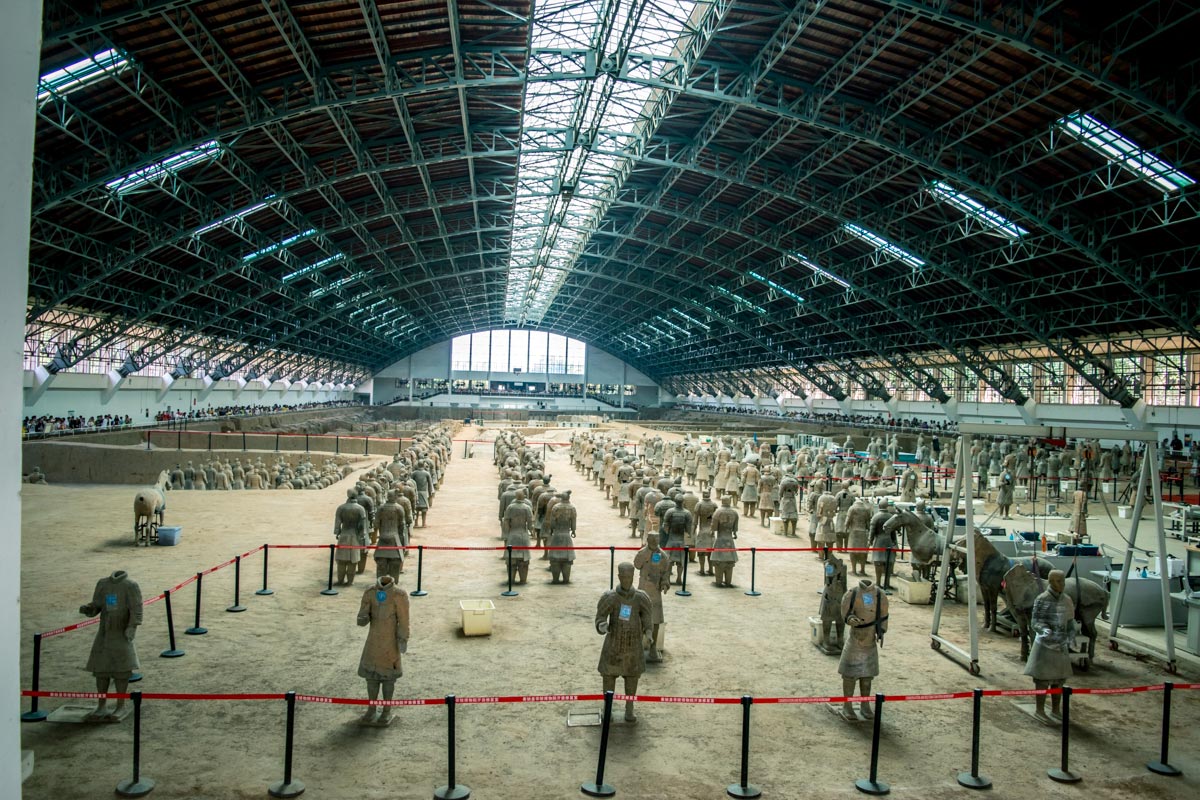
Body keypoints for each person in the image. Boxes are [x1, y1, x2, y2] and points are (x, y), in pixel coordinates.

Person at [595, 563, 655, 723]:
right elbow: (600, 617)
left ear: (633, 577)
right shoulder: (610, 597)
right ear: (619, 577)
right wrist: (602, 626)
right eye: (624, 577)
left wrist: (648, 632)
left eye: (629, 577)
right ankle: (608, 709)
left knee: (632, 678)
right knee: (608, 676)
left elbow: (648, 618)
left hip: (633, 645)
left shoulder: (641, 598)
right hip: (614, 644)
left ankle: (629, 708)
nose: (627, 580)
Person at [79, 570, 142, 720]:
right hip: (104, 633)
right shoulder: (103, 584)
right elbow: (97, 605)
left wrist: (132, 627)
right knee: (101, 670)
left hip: (121, 632)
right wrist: (89, 609)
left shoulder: (130, 585)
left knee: (122, 671)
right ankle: (101, 705)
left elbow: (137, 608)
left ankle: (120, 706)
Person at [356, 574, 410, 726]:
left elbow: (404, 620)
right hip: (373, 641)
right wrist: (363, 618)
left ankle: (386, 710)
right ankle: (371, 708)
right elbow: (363, 613)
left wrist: (403, 638)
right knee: (371, 678)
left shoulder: (399, 595)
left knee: (388, 678)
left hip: (389, 643)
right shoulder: (370, 592)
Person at [1023, 570, 1075, 723]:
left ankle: (1056, 710)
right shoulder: (1042, 599)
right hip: (1045, 645)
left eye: (1063, 581)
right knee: (1042, 679)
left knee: (1059, 680)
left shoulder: (1067, 600)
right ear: (1051, 582)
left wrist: (1072, 633)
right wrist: (1043, 629)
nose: (1062, 585)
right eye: (1059, 581)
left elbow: (1070, 622)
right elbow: (1035, 622)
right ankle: (1040, 709)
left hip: (1060, 644)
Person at [838, 578, 888, 721]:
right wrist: (850, 618)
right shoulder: (852, 593)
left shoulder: (880, 595)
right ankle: (847, 705)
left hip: (869, 639)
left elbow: (884, 614)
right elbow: (845, 611)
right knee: (849, 675)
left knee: (867, 676)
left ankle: (865, 704)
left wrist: (881, 630)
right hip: (855, 639)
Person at [632, 532, 671, 662]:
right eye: (651, 539)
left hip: (655, 591)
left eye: (656, 539)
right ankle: (638, 645)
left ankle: (653, 646)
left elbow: (666, 572)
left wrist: (665, 583)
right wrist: (645, 555)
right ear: (647, 539)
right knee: (639, 618)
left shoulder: (663, 555)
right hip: (643, 589)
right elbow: (637, 565)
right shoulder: (642, 552)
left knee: (655, 620)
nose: (654, 542)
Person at [334, 489, 370, 586]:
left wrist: (337, 533)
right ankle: (350, 581)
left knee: (341, 561)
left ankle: (340, 580)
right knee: (353, 561)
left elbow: (337, 523)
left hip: (344, 535)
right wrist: (362, 535)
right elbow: (362, 525)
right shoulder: (360, 509)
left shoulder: (341, 508)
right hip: (355, 536)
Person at [710, 493, 740, 588]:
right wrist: (734, 533)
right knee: (729, 563)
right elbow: (735, 528)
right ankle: (728, 581)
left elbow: (714, 527)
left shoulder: (718, 512)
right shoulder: (734, 512)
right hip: (729, 540)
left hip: (720, 540)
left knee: (719, 562)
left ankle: (718, 581)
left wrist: (712, 532)